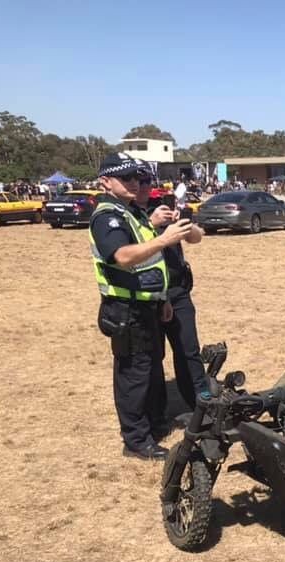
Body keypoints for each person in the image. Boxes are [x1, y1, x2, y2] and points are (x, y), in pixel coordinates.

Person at [90, 152, 194, 460]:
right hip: (125, 309)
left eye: (138, 178)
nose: (135, 184)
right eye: (127, 178)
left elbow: (148, 263)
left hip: (147, 305)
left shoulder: (131, 211)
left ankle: (150, 424)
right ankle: (135, 441)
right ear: (106, 182)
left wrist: (161, 298)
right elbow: (122, 256)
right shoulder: (107, 215)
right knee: (133, 375)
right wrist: (164, 239)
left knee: (148, 370)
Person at [133, 163, 208, 414]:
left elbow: (198, 238)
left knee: (189, 351)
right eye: (137, 183)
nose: (142, 188)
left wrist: (184, 225)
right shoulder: (128, 216)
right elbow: (125, 252)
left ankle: (201, 404)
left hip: (177, 292)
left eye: (146, 183)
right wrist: (152, 226)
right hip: (147, 295)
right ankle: (157, 411)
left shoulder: (162, 209)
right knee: (153, 357)